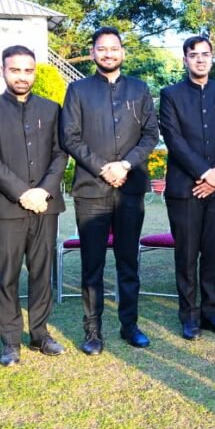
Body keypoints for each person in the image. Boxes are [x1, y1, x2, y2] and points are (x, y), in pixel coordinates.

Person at [60, 27, 158, 354]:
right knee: (92, 264)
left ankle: (130, 325)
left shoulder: (139, 89)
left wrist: (125, 165)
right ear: (93, 53)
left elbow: (150, 135)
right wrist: (104, 168)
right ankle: (92, 331)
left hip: (130, 189)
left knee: (128, 261)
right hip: (91, 189)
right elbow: (70, 137)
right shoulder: (77, 90)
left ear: (122, 52)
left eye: (114, 48)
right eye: (101, 49)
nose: (108, 54)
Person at [0, 45, 68, 366]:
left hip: (45, 206)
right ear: (4, 71)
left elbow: (60, 154)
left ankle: (40, 334)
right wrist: (22, 193)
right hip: (5, 208)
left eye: (28, 70)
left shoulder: (52, 109)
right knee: (7, 275)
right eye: (15, 70)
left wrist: (43, 191)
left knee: (42, 272)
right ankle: (10, 341)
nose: (22, 77)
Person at [159, 35, 215, 340]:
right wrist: (204, 173)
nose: (200, 59)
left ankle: (211, 312)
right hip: (185, 189)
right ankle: (189, 316)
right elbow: (173, 139)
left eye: (205, 54)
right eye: (194, 55)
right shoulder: (170, 95)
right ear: (185, 60)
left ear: (212, 57)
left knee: (214, 254)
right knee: (187, 254)